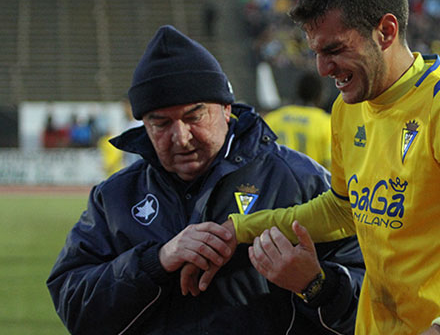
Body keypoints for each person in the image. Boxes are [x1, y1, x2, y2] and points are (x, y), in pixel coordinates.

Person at [182, 0, 440, 335]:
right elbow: (341, 210)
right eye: (316, 52)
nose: (321, 68)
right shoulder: (347, 109)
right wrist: (238, 229)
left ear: (385, 31)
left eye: (334, 49)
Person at [47, 25, 364, 334]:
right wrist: (156, 261)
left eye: (193, 117)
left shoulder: (301, 182)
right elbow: (74, 305)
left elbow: (376, 297)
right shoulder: (115, 197)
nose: (180, 138)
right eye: (161, 124)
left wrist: (318, 284)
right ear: (144, 124)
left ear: (226, 109)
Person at [264, 72, 331, 169]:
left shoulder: (273, 118)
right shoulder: (325, 124)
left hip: (277, 180)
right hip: (310, 182)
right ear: (320, 95)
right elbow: (330, 163)